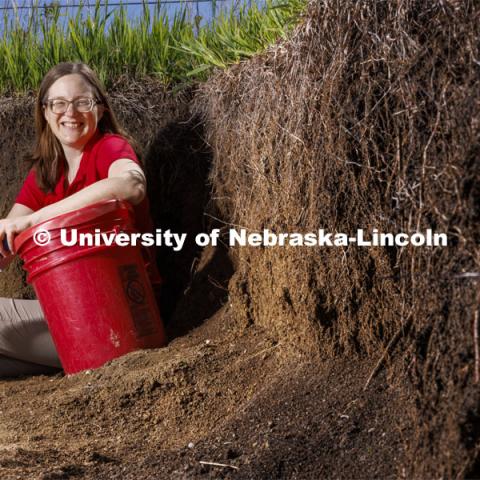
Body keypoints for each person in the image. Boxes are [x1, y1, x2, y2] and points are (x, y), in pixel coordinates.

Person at [0, 62, 160, 377]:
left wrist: (37, 220)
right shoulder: (47, 172)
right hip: (77, 323)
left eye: (82, 102)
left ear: (99, 109)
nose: (70, 112)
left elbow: (132, 184)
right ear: (45, 112)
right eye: (58, 103)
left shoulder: (108, 148)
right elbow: (8, 231)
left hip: (125, 319)